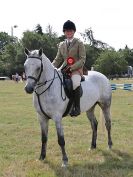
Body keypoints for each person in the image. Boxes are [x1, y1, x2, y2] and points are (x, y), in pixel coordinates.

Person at [52, 20, 86, 116]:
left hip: (76, 69)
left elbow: (82, 59)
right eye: (67, 31)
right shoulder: (61, 45)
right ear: (64, 32)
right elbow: (58, 59)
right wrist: (51, 67)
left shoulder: (79, 43)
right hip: (64, 68)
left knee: (75, 83)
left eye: (71, 30)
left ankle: (77, 108)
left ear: (74, 31)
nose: (69, 32)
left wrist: (71, 68)